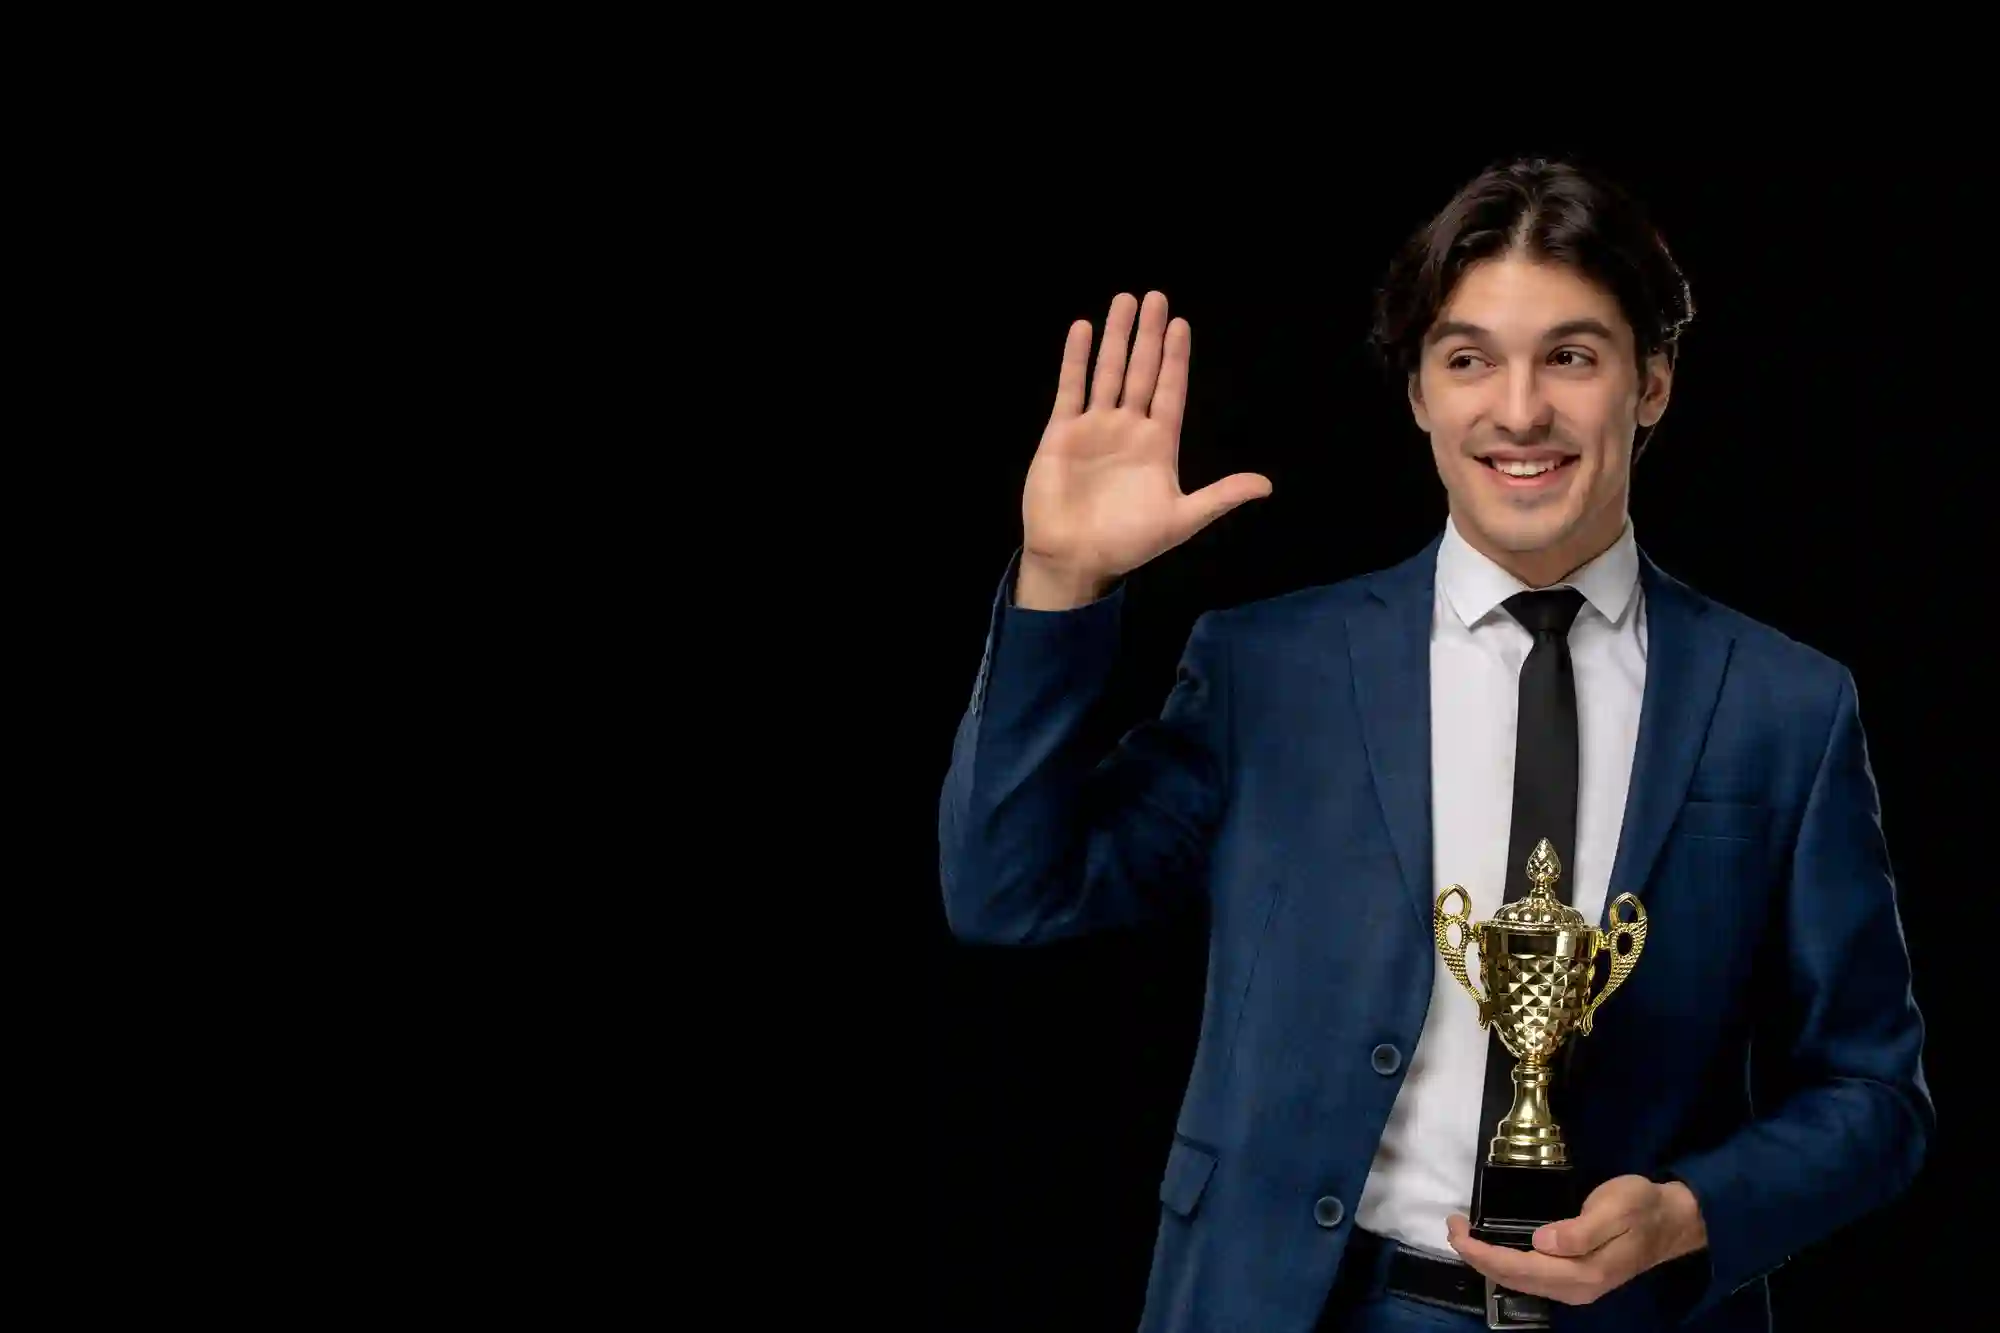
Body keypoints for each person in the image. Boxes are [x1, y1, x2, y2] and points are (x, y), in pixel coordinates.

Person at [936, 156, 1932, 1333]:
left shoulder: (1783, 706)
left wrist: (1689, 1211)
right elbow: (1005, 891)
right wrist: (1061, 583)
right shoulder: (1270, 671)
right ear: (1415, 390)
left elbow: (1873, 1096)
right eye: (1467, 359)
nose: (1517, 412)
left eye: (1570, 355)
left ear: (1651, 380)